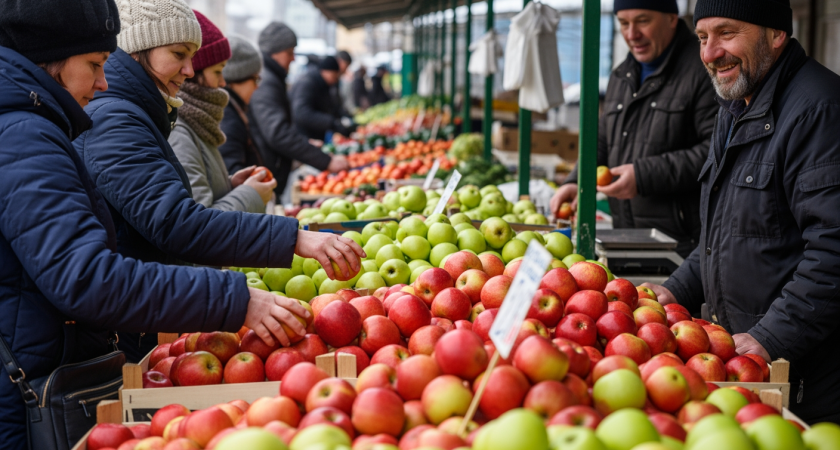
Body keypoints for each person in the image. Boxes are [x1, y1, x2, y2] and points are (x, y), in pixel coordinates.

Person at [0, 1, 309, 448]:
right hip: (28, 393)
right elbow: (89, 277)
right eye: (94, 64)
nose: (103, 81)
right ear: (50, 60)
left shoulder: (35, 125)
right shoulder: (25, 135)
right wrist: (237, 299)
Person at [74, 0, 364, 362]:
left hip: (144, 317)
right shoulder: (116, 120)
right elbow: (175, 222)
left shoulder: (138, 113)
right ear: (136, 51)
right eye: (178, 54)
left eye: (193, 56)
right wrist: (294, 238)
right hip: (128, 330)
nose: (189, 69)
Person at [645, 0, 840, 424]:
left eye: (727, 33)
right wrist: (676, 289)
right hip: (747, 366)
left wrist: (771, 336)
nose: (711, 53)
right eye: (702, 37)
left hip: (803, 381)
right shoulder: (736, 107)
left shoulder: (819, 112)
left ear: (775, 34)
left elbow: (833, 251)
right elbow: (725, 233)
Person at [549, 0, 717, 258]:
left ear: (672, 18)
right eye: (623, 23)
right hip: (626, 237)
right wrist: (577, 182)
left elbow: (716, 151)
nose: (631, 34)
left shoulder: (703, 71)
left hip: (681, 246)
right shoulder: (621, 75)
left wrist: (643, 176)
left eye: (643, 21)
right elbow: (603, 139)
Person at [169, 11, 271, 213]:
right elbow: (200, 220)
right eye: (217, 72)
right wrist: (250, 194)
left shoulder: (198, 119)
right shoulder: (180, 129)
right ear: (193, 73)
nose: (222, 83)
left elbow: (203, 189)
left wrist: (231, 185)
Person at [249, 22, 348, 196]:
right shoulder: (267, 82)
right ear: (274, 52)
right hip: (265, 174)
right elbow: (277, 132)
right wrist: (325, 161)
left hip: (270, 172)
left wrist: (304, 141)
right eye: (289, 52)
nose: (293, 58)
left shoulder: (273, 78)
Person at [219, 36, 265, 175]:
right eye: (255, 79)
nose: (257, 87)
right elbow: (232, 170)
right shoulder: (227, 116)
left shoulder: (233, 109)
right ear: (236, 79)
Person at [291, 56, 356, 141]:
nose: (335, 80)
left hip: (317, 134)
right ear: (325, 72)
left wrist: (346, 117)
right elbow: (302, 113)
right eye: (333, 76)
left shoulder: (324, 85)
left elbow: (332, 106)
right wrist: (332, 123)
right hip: (304, 136)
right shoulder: (307, 83)